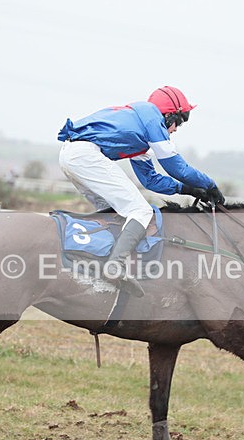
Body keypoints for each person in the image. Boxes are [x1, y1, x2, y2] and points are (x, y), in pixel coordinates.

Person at [58, 86, 225, 297]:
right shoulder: (152, 120)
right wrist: (210, 185)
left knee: (115, 214)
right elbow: (176, 167)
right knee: (141, 212)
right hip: (85, 156)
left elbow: (150, 180)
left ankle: (97, 262)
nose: (174, 130)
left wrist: (187, 189)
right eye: (179, 122)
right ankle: (114, 267)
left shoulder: (140, 129)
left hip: (71, 155)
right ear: (169, 114)